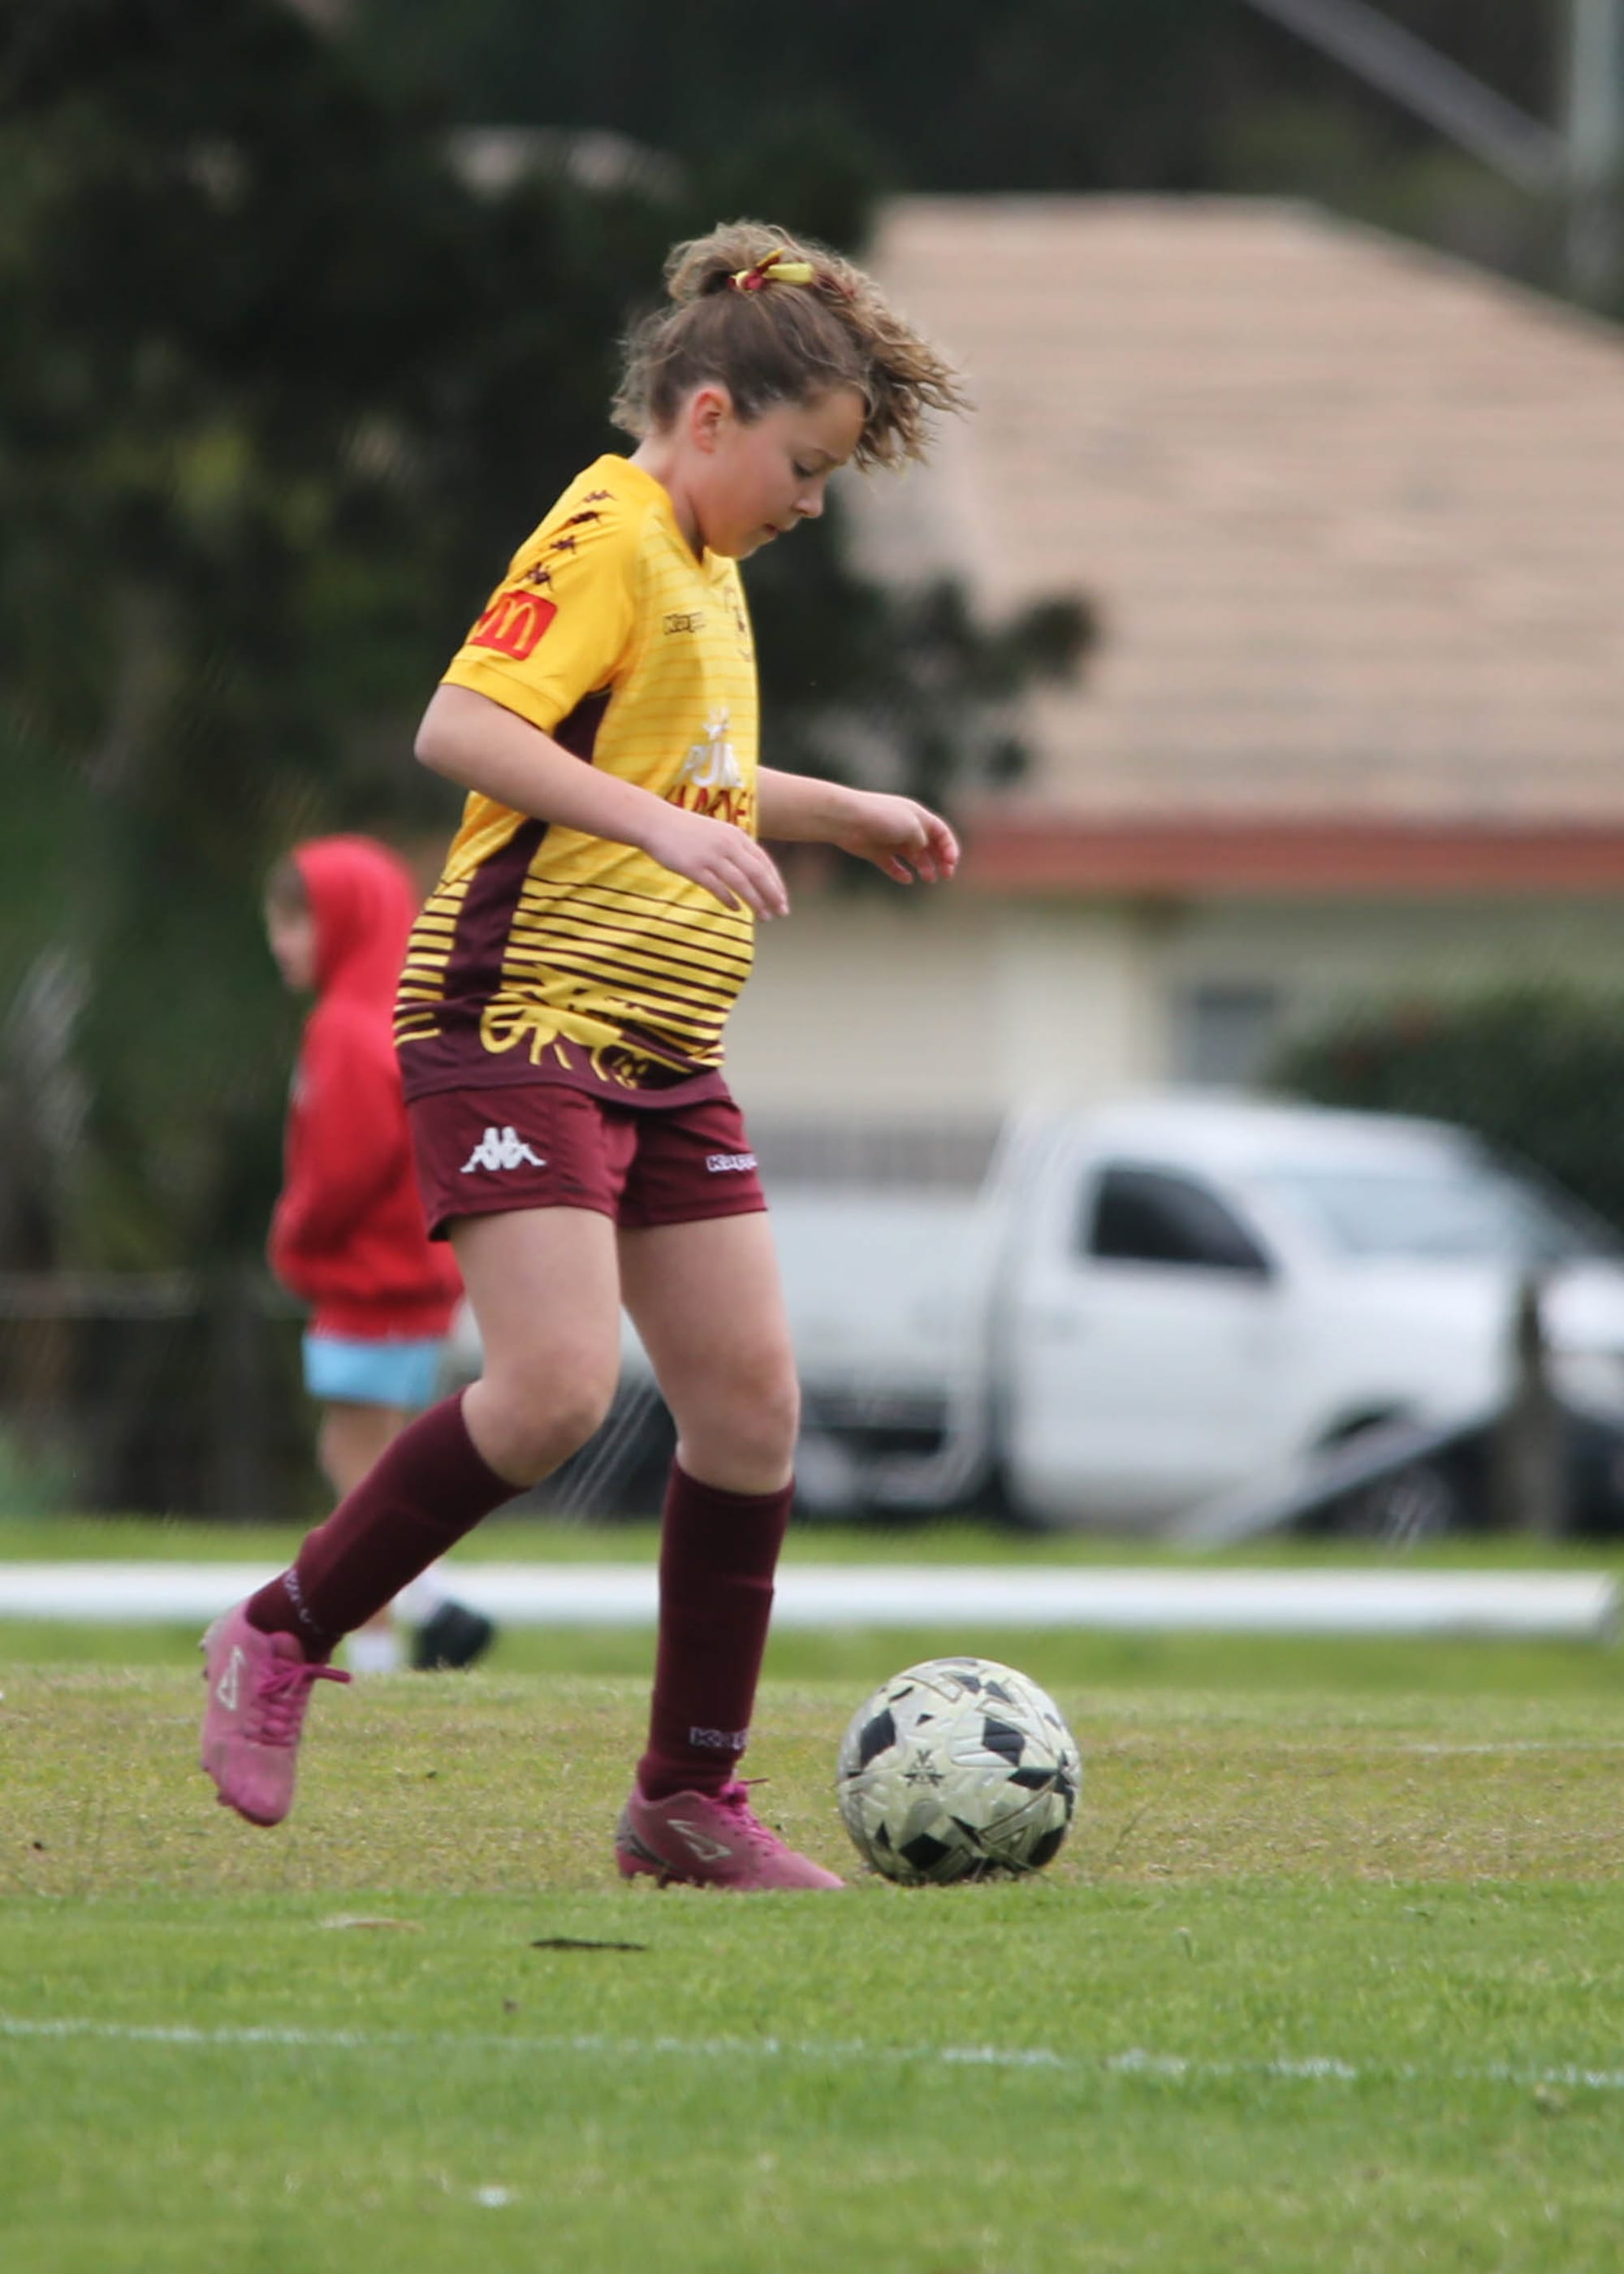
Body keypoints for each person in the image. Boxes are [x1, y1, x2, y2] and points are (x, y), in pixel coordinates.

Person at [201, 219, 966, 1887]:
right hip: (516, 1024)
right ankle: (280, 1630)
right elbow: (461, 726)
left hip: (664, 1050)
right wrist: (666, 831)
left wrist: (839, 810)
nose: (810, 504)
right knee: (549, 1393)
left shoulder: (708, 568)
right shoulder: (609, 527)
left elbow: (688, 780)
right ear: (710, 415)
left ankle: (684, 1803)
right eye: (804, 467)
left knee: (750, 1411)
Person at [261, 836, 496, 1676]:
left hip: (370, 1281)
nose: (281, 943)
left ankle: (394, 1629)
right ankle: (422, 1610)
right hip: (418, 1278)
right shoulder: (412, 1023)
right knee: (370, 1457)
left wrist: (293, 1231)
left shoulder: (345, 1032)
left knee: (358, 1464)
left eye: (298, 923)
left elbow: (342, 1169)